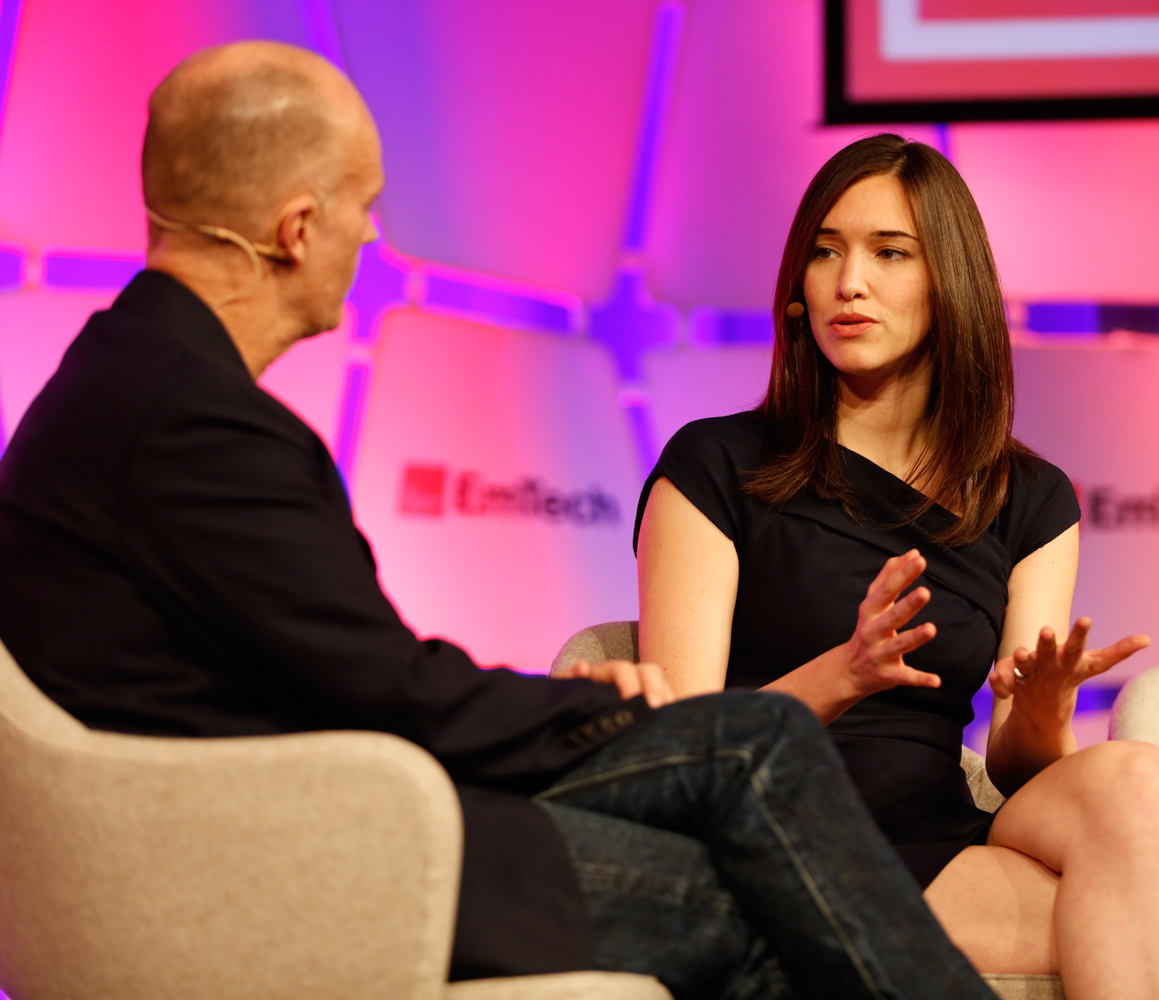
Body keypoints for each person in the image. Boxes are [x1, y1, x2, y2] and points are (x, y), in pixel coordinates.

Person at [0, 46, 1003, 1000]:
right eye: (364, 207)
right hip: (287, 856)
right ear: (298, 227)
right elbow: (391, 693)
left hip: (287, 813)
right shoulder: (195, 422)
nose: (369, 237)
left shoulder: (122, 380)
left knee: (751, 754)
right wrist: (596, 709)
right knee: (757, 817)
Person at [635, 134, 1159, 1000]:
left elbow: (1016, 768)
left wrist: (1040, 709)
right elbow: (678, 752)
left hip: (935, 829)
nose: (848, 281)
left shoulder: (1030, 499)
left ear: (949, 284)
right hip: (783, 836)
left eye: (890, 253)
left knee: (1148, 791)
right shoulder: (716, 465)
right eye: (825, 251)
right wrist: (843, 674)